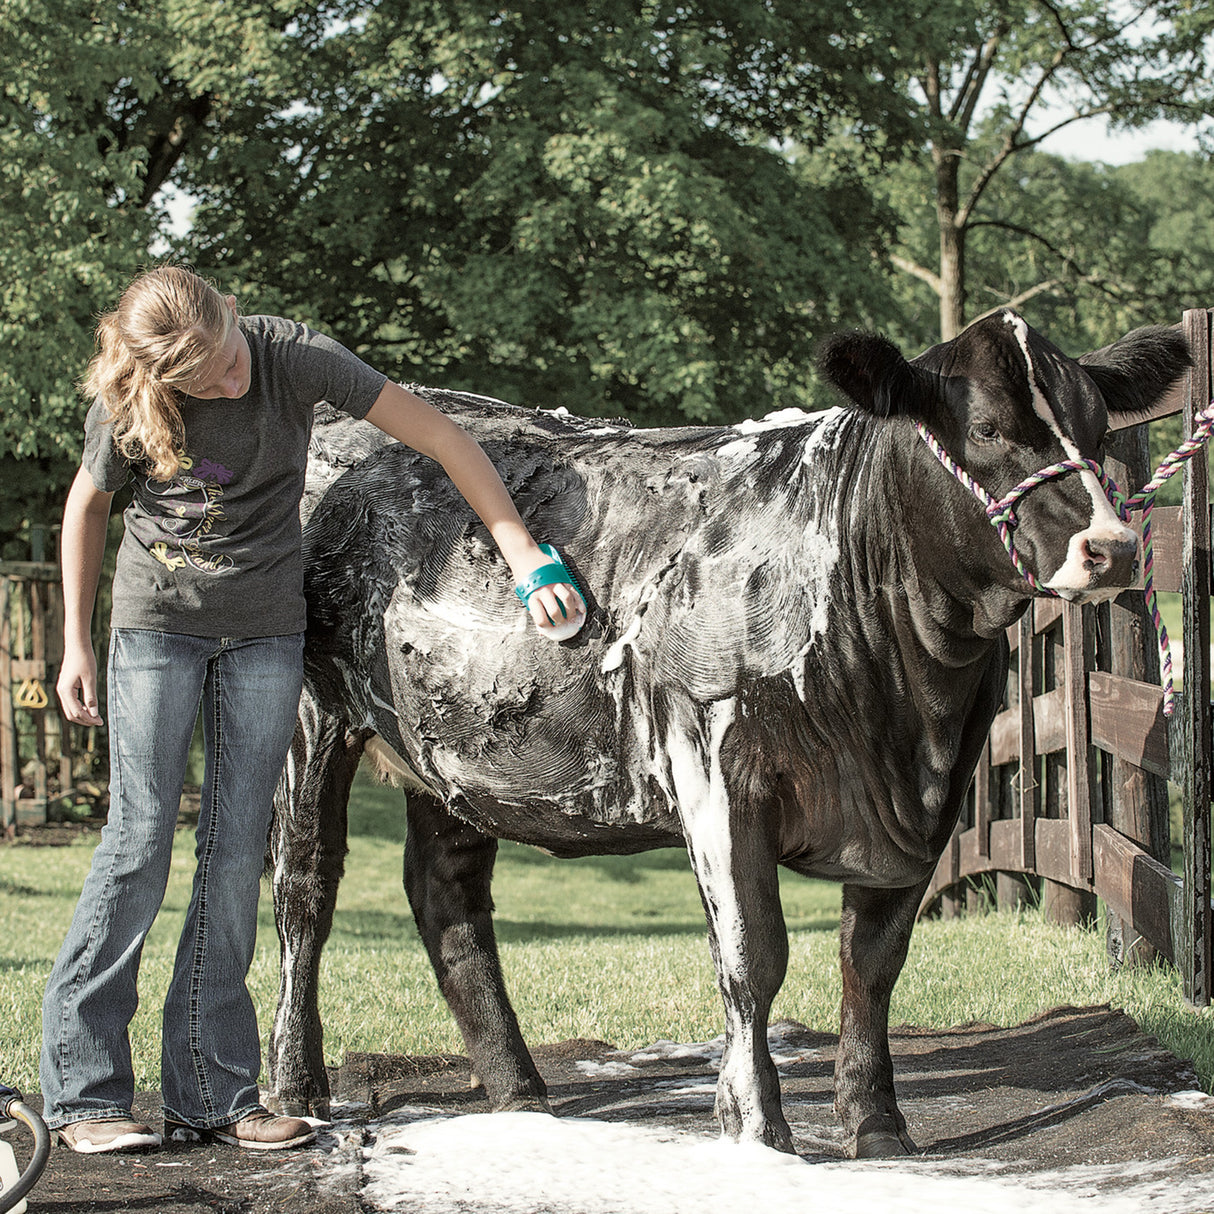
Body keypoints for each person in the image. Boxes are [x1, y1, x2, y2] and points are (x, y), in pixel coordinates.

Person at [42, 264, 586, 1155]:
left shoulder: (294, 357)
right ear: (164, 378)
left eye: (228, 351)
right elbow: (86, 505)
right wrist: (74, 640)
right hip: (157, 633)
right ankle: (85, 1096)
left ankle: (214, 1095)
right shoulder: (129, 402)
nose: (231, 377)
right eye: (207, 377)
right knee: (138, 846)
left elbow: (443, 438)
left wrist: (523, 551)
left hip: (264, 637)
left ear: (229, 313)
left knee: (233, 857)